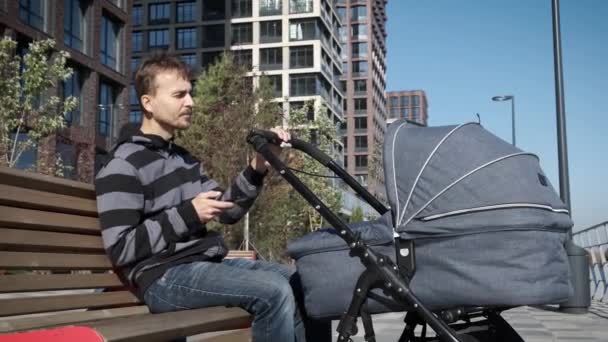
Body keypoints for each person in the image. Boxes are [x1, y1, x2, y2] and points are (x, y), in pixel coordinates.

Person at [94, 54, 306, 342]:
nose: (190, 102)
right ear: (148, 103)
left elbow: (228, 211)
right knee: (273, 290)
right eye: (180, 95)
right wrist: (187, 214)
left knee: (301, 282)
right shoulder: (123, 163)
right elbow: (121, 247)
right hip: (162, 276)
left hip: (203, 265)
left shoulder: (183, 160)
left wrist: (258, 166)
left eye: (190, 93)